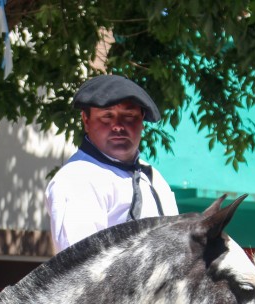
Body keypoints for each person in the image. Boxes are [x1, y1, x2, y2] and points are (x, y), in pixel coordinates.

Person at [45, 75, 179, 253]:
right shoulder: (78, 178)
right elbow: (83, 264)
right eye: (107, 116)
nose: (118, 126)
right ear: (86, 120)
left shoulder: (153, 178)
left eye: (129, 116)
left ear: (142, 121)